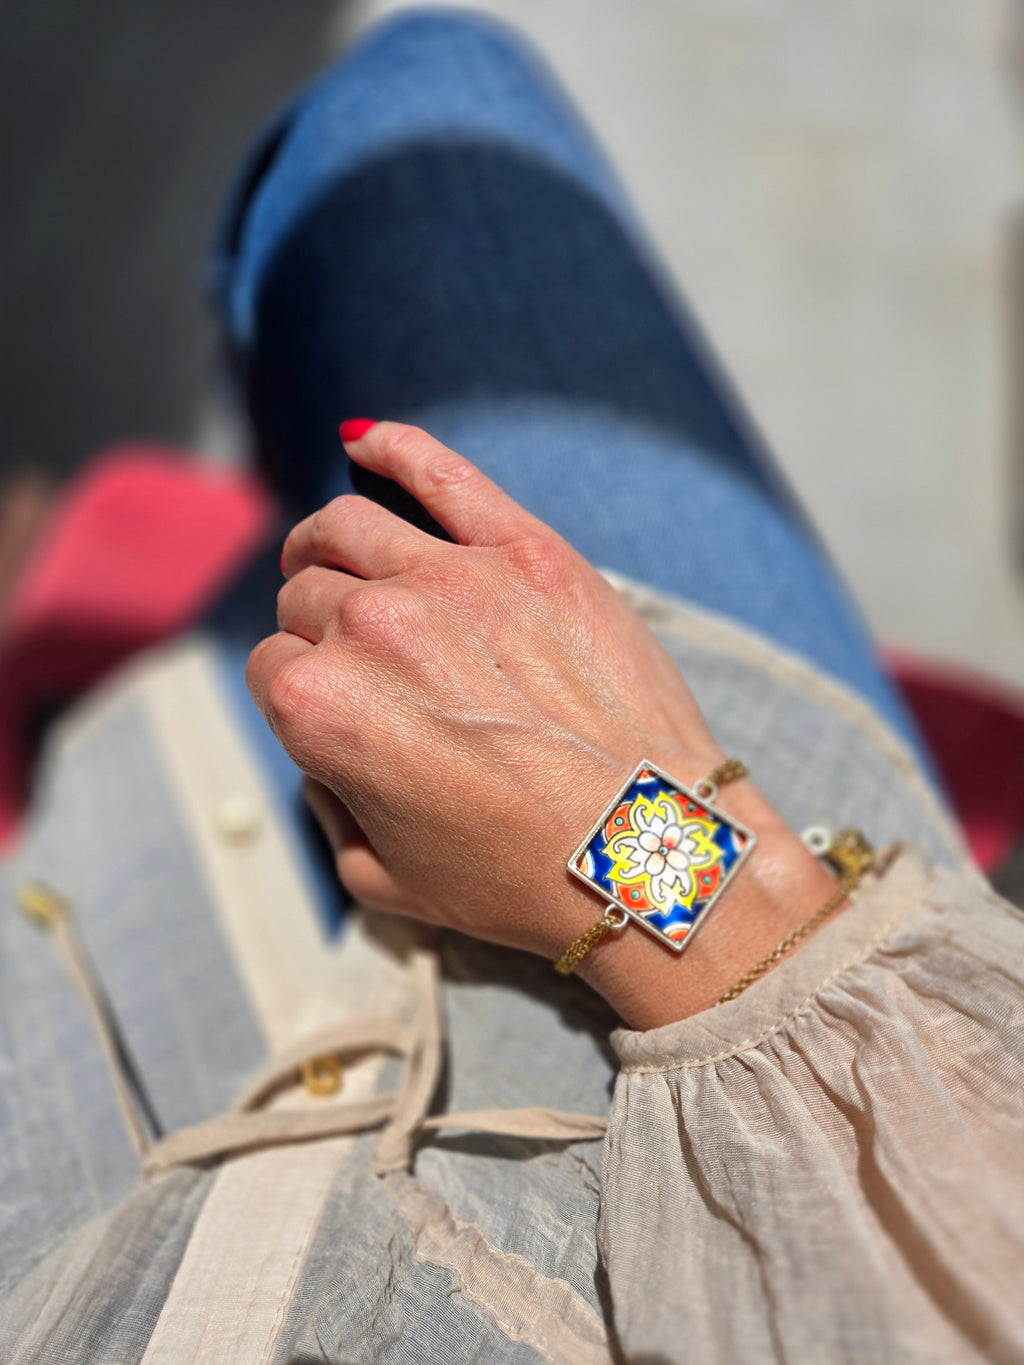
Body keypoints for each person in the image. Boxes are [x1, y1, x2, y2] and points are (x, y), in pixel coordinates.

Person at [2, 11, 1022, 1363]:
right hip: (868, 1036)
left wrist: (688, 908)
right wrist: (697, 870)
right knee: (420, 118)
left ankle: (135, 560)